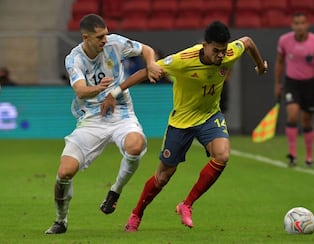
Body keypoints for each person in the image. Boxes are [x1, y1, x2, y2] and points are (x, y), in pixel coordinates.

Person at [100, 20, 268, 231]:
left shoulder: (230, 52)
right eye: (215, 50)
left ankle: (186, 204)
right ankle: (136, 214)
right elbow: (145, 71)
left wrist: (260, 65)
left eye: (223, 51)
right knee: (162, 178)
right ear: (204, 45)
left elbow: (249, 42)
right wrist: (115, 93)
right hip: (182, 122)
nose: (220, 56)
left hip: (209, 116)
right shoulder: (183, 60)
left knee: (222, 156)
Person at [44, 14, 163, 234]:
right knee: (64, 173)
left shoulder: (115, 43)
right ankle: (61, 220)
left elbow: (146, 49)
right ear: (85, 37)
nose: (105, 40)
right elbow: (79, 89)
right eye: (100, 37)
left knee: (135, 145)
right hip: (91, 119)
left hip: (121, 113)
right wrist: (99, 89)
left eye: (106, 35)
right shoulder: (74, 59)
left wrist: (151, 63)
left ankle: (115, 191)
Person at [274, 12, 314, 167]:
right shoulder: (284, 41)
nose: (299, 26)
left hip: (310, 84)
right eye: (296, 23)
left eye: (302, 23)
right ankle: (292, 154)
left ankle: (309, 157)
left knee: (307, 120)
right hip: (292, 83)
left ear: (307, 25)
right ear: (292, 25)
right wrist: (278, 84)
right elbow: (279, 62)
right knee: (292, 114)